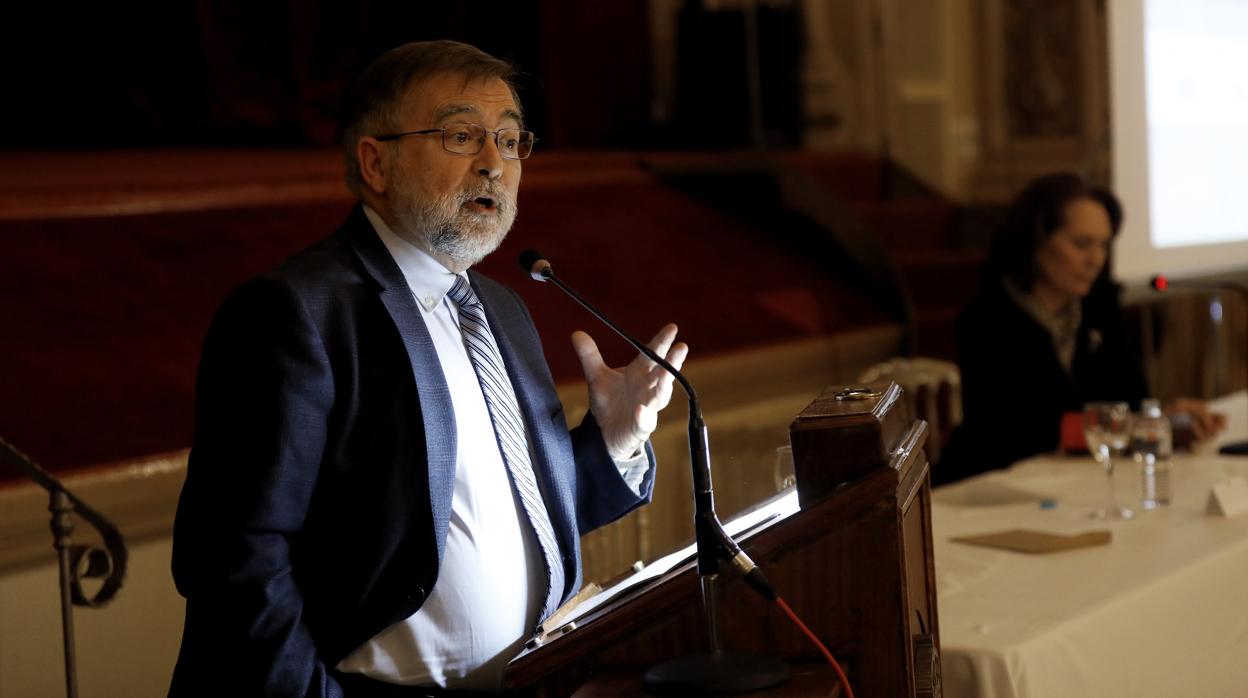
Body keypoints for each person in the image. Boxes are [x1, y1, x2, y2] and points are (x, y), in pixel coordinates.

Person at [168, 40, 688, 697]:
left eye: (509, 140)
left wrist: (612, 442)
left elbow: (500, 519)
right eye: (461, 136)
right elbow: (236, 560)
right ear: (375, 163)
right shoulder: (296, 313)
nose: (494, 164)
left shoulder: (501, 308)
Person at [937, 173, 1223, 486]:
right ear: (1035, 241)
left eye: (1104, 245)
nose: (1095, 260)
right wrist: (1135, 427)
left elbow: (1129, 398)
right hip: (995, 485)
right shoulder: (987, 318)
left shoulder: (1101, 306)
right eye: (1082, 244)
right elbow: (1018, 429)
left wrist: (1163, 418)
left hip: (1081, 479)